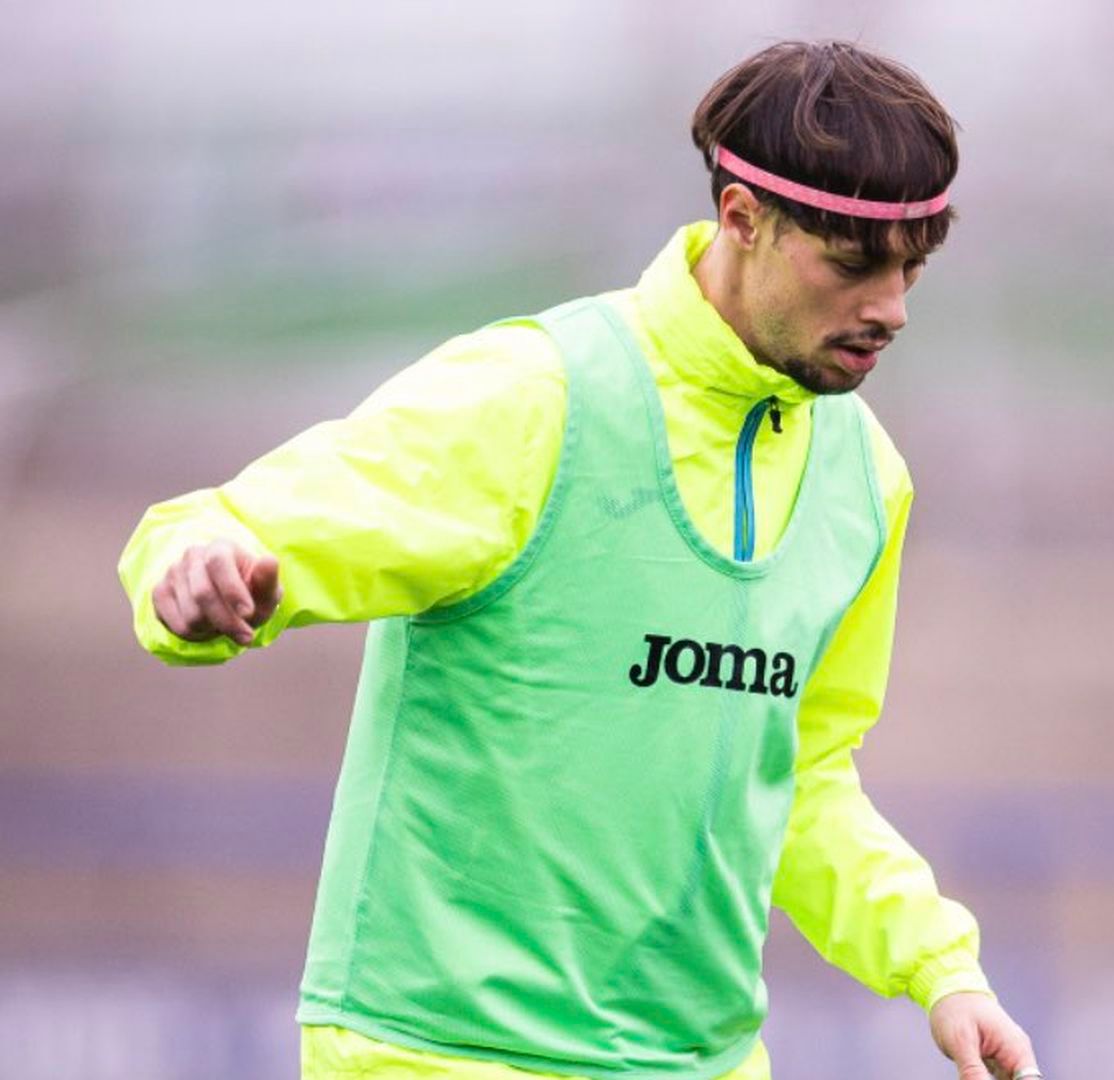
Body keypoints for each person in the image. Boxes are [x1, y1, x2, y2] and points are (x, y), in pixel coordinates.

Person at [117, 40, 1042, 1080]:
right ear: (742, 217)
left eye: (912, 270)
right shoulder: (536, 398)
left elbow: (799, 779)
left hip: (696, 1062)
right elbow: (227, 526)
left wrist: (940, 969)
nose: (893, 308)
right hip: (440, 1053)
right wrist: (196, 569)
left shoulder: (866, 480)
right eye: (853, 264)